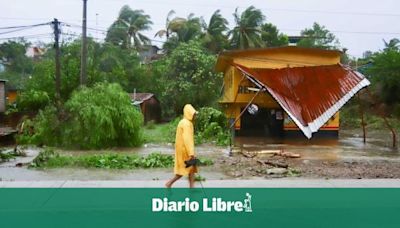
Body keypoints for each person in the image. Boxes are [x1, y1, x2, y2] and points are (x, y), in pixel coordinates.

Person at [165, 104, 198, 188]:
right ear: (189, 113)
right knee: (182, 171)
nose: (195, 116)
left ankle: (192, 187)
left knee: (191, 170)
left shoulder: (183, 122)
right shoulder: (187, 124)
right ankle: (169, 183)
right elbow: (188, 139)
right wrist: (191, 153)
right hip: (185, 151)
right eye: (193, 114)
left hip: (182, 149)